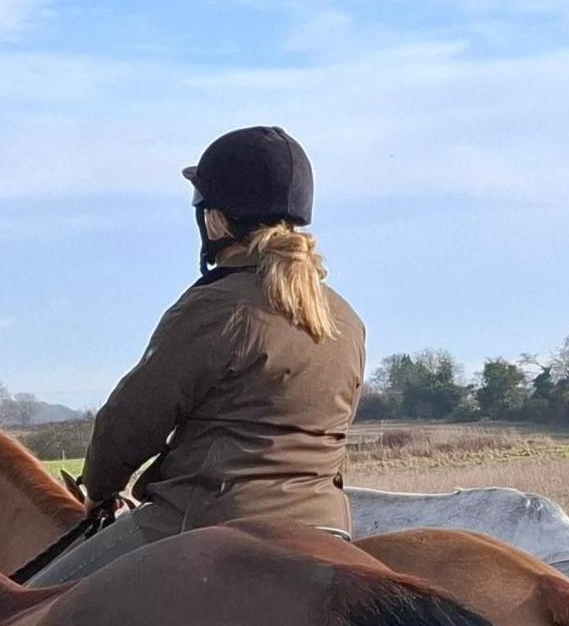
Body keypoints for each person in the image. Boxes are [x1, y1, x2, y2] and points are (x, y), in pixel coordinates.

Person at [28, 125, 366, 585]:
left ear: (215, 220)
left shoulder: (214, 307)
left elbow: (134, 417)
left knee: (30, 612)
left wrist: (99, 489)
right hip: (327, 528)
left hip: (204, 522)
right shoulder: (345, 319)